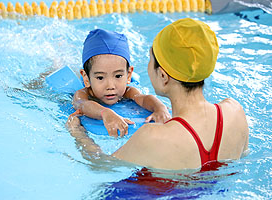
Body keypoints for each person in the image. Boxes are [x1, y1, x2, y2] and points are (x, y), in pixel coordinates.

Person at [66, 18, 249, 170]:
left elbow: (100, 165)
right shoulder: (235, 112)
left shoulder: (152, 137)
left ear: (162, 75)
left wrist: (77, 133)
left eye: (150, 59)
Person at [72, 29, 171, 137]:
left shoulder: (128, 91)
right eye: (100, 78)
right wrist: (105, 113)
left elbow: (143, 98)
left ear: (128, 75)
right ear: (86, 78)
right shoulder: (82, 94)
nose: (110, 86)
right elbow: (82, 105)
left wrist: (160, 108)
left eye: (118, 76)